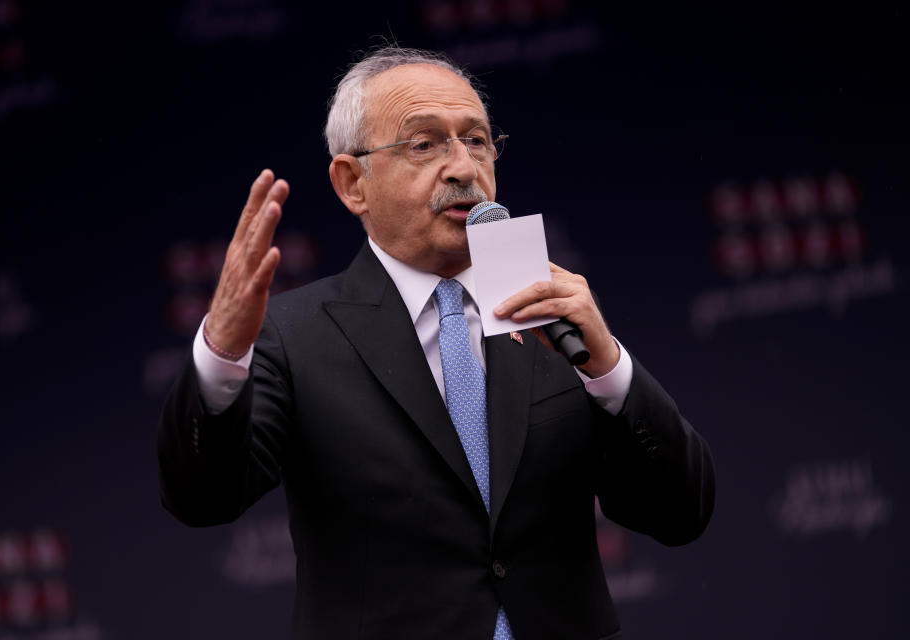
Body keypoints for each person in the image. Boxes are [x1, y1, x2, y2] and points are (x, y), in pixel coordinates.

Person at [158, 46, 714, 640]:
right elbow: (204, 498)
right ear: (353, 184)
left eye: (476, 141)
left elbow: (680, 512)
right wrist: (221, 352)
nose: (463, 168)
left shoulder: (555, 313)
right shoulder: (292, 334)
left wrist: (608, 370)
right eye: (424, 145)